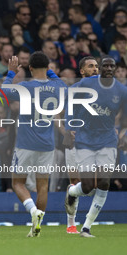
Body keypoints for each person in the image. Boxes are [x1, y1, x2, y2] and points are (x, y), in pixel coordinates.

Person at [2, 52, 67, 237]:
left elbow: (4, 90)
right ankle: (36, 227)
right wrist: (50, 71)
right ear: (48, 68)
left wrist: (10, 73)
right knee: (43, 186)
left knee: (17, 183)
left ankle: (33, 212)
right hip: (47, 144)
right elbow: (60, 83)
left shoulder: (25, 86)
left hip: (25, 143)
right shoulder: (58, 87)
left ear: (29, 68)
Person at [64, 57, 127, 237]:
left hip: (107, 141)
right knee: (88, 186)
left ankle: (86, 227)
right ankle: (72, 192)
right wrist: (69, 129)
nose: (101, 69)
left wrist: (122, 134)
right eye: (101, 65)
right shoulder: (83, 85)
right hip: (84, 140)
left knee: (104, 181)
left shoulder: (120, 90)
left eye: (107, 66)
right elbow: (69, 104)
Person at [63, 56, 99, 234]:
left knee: (92, 185)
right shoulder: (74, 90)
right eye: (91, 66)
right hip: (75, 141)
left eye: (97, 66)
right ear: (82, 71)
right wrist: (67, 130)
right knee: (76, 180)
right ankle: (71, 224)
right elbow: (61, 113)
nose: (95, 69)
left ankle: (71, 193)